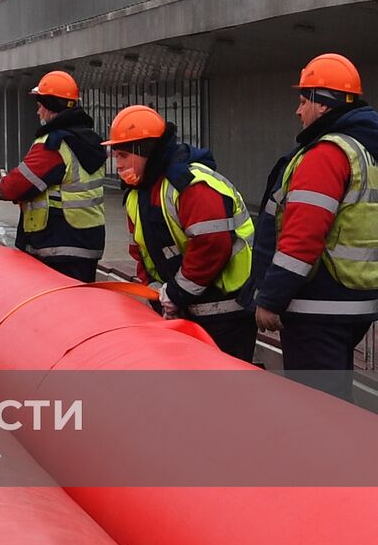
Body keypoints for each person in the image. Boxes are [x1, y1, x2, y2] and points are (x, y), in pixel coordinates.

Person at [252, 53, 378, 400]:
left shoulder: (326, 154)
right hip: (353, 303)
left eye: (303, 99)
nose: (298, 110)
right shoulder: (365, 151)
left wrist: (271, 298)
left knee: (318, 410)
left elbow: (302, 237)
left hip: (317, 308)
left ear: (323, 104)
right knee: (336, 402)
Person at [102, 105, 257, 360]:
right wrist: (158, 294)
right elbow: (142, 253)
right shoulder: (138, 194)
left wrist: (175, 294)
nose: (117, 165)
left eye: (122, 156)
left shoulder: (191, 185)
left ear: (144, 151)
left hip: (226, 312)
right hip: (187, 308)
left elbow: (212, 246)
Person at [0, 70, 107, 282]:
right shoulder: (91, 141)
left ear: (51, 106)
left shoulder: (53, 145)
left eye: (40, 106)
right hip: (87, 241)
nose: (38, 113)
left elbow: (13, 186)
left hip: (55, 243)